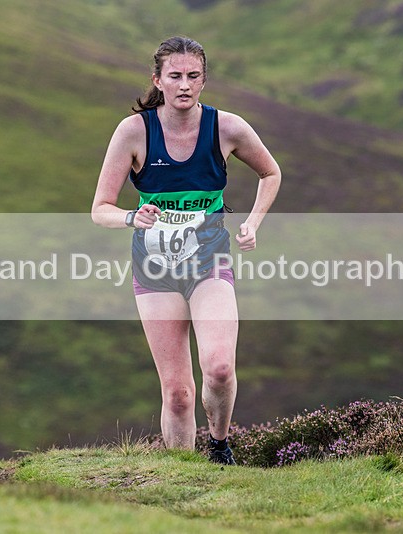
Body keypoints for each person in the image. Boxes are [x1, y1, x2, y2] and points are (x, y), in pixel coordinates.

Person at [91, 36, 281, 465]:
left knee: (218, 368)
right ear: (157, 80)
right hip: (154, 270)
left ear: (204, 81)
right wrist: (130, 218)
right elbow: (99, 208)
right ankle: (183, 476)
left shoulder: (227, 127)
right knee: (178, 394)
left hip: (209, 263)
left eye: (193, 76)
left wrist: (251, 222)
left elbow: (271, 173)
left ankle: (218, 445)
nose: (184, 85)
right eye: (174, 76)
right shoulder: (134, 132)